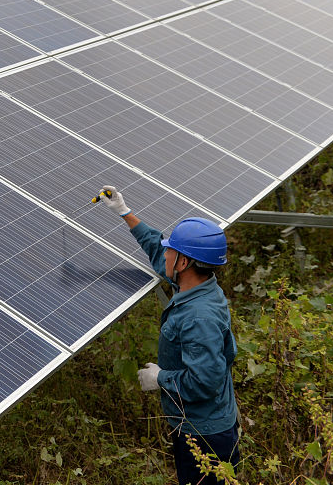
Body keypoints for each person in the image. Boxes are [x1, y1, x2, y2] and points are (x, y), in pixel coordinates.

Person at [97, 187, 241, 485]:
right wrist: (125, 213)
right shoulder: (195, 284)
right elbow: (156, 249)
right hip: (203, 423)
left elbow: (205, 381)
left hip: (205, 434)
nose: (166, 253)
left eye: (171, 250)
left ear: (185, 263)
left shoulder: (199, 317)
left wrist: (160, 378)